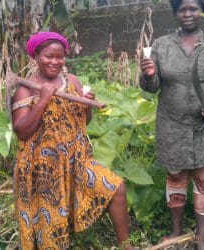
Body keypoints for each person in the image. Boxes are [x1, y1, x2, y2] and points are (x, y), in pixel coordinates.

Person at [11, 31, 134, 249]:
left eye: (60, 57)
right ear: (36, 56)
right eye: (49, 56)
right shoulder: (25, 89)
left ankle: (127, 246)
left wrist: (87, 105)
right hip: (44, 168)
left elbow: (82, 122)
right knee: (52, 228)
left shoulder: (72, 81)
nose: (55, 62)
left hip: (76, 159)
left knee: (116, 188)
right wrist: (43, 102)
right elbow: (21, 131)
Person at [139, 0, 204, 249]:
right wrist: (148, 75)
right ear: (175, 13)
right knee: (175, 176)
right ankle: (176, 231)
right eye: (182, 9)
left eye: (193, 8)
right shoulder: (161, 46)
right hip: (172, 124)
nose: (187, 14)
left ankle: (202, 238)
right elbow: (151, 89)